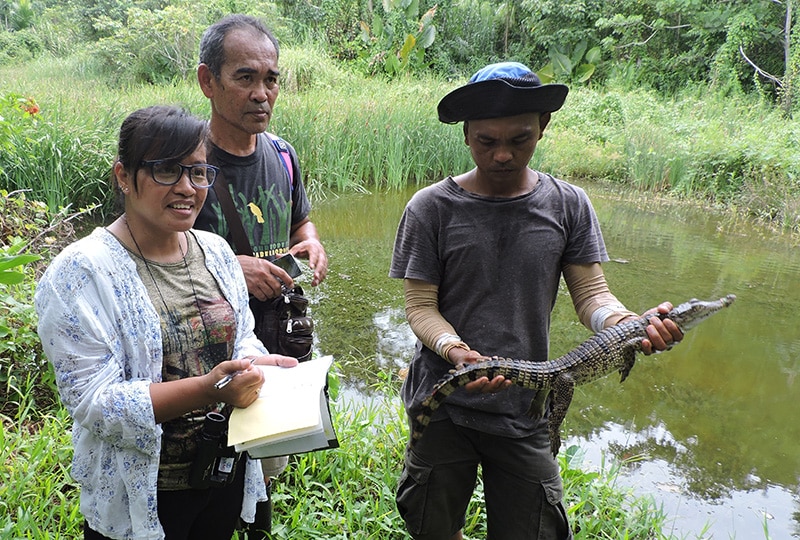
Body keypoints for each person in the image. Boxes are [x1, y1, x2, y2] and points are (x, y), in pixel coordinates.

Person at [389, 62, 684, 540]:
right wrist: (455, 350)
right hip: (442, 399)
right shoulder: (430, 207)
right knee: (432, 524)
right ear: (466, 135)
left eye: (519, 139)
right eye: (487, 141)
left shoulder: (569, 204)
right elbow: (420, 307)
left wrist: (628, 322)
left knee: (534, 530)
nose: (503, 154)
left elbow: (592, 295)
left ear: (542, 128)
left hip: (528, 405)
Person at [35, 105, 298, 540]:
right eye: (165, 171)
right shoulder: (80, 272)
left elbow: (241, 340)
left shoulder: (215, 252)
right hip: (141, 494)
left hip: (222, 473)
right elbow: (93, 403)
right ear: (123, 175)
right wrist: (207, 388)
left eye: (197, 172)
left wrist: (258, 365)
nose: (187, 188)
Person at [194, 14, 328, 537]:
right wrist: (231, 268)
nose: (261, 93)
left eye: (270, 79)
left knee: (267, 464)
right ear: (208, 81)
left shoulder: (282, 154)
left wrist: (312, 240)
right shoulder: (187, 161)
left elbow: (300, 218)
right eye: (244, 77)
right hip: (207, 351)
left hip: (276, 337)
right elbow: (148, 253)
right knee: (209, 473)